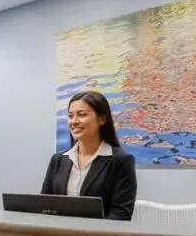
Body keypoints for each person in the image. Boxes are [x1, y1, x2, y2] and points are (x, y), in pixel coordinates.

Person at [40, 90, 137, 221]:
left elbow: (121, 214)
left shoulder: (121, 161)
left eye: (82, 115)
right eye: (70, 116)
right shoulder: (58, 160)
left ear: (101, 119)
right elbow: (44, 206)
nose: (74, 121)